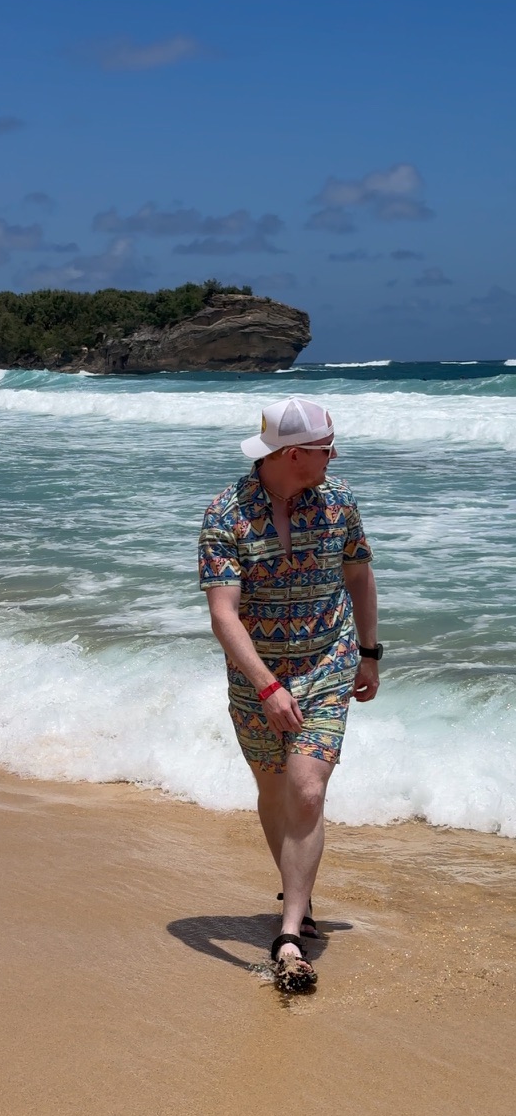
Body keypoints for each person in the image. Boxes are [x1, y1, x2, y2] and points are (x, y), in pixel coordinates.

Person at [198, 396, 380, 993]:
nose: (334, 458)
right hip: (257, 676)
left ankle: (290, 932)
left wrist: (371, 652)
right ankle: (298, 891)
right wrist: (267, 685)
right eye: (326, 450)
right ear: (294, 453)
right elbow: (224, 615)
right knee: (275, 792)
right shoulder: (226, 515)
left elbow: (358, 575)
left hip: (328, 663)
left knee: (306, 790)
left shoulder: (340, 501)